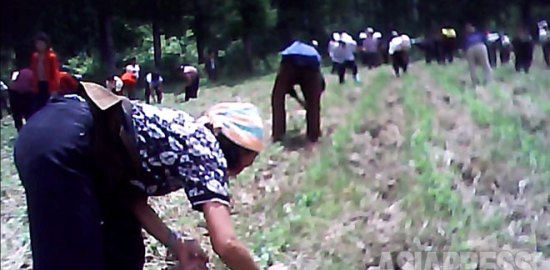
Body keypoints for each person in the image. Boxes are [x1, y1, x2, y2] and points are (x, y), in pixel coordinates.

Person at [14, 81, 287, 270]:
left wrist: (175, 243)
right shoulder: (207, 149)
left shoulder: (182, 134)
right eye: (241, 165)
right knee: (75, 261)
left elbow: (132, 200)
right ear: (232, 146)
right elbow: (226, 243)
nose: (236, 174)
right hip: (67, 143)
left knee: (122, 245)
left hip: (50, 131)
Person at [272, 40, 325, 143]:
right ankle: (313, 134)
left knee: (277, 99)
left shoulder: (291, 50)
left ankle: (278, 135)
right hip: (311, 67)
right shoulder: (313, 53)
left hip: (289, 64)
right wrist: (310, 103)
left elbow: (286, 86)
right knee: (314, 104)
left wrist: (296, 97)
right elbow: (319, 87)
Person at [30, 32, 60, 116]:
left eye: (41, 43)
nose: (39, 45)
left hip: (48, 84)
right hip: (38, 84)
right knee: (37, 108)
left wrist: (54, 89)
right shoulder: (35, 56)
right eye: (38, 43)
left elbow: (55, 73)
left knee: (48, 107)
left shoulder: (51, 56)